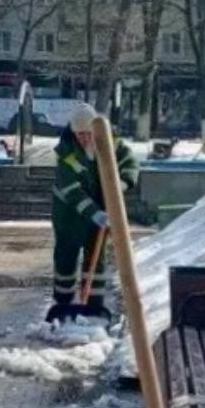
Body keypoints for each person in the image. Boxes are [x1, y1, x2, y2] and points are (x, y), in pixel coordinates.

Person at [51, 103, 138, 313]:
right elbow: (72, 191)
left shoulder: (113, 144)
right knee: (66, 257)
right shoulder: (67, 153)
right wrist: (94, 213)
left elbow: (131, 164)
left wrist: (121, 185)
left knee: (96, 259)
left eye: (88, 133)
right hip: (69, 216)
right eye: (80, 134)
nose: (85, 139)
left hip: (102, 212)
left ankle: (93, 303)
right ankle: (63, 302)